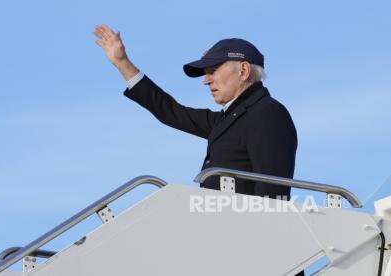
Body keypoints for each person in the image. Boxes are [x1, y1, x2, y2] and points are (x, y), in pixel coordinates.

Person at [93, 24, 297, 199]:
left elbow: (273, 193)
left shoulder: (267, 113)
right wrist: (122, 63)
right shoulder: (227, 119)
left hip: (246, 235)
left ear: (243, 71)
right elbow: (170, 111)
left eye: (212, 71)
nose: (206, 80)